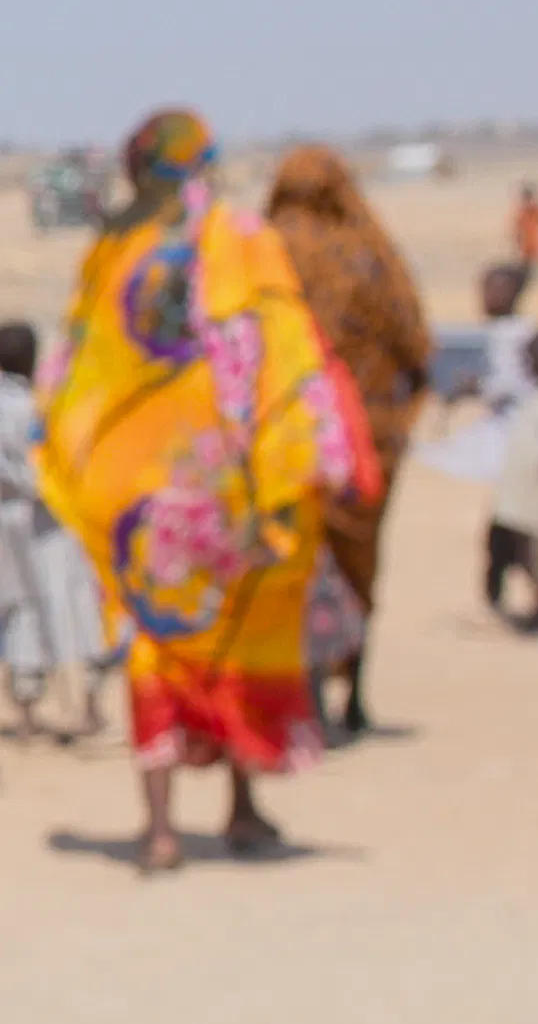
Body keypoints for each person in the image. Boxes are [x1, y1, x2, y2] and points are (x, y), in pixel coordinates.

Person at [44, 108, 365, 872]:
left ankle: (158, 831)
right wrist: (307, 453)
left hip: (139, 497)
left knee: (154, 643)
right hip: (225, 480)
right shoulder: (244, 239)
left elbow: (70, 372)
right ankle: (244, 809)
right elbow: (282, 348)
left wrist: (82, 466)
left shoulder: (111, 251)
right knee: (233, 632)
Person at [265, 146, 432, 735]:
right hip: (370, 441)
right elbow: (417, 344)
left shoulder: (263, 254)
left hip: (287, 442)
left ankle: (301, 689)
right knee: (359, 565)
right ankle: (353, 693)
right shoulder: (370, 256)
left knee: (294, 566)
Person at [0, 322, 112, 737]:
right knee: (69, 604)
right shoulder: (36, 406)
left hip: (8, 517)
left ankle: (27, 710)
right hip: (47, 520)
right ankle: (80, 705)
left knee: (20, 606)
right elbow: (45, 465)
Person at [489, 326, 538, 634]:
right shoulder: (532, 400)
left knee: (537, 557)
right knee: (523, 555)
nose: (527, 363)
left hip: (535, 500)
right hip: (520, 500)